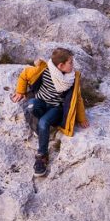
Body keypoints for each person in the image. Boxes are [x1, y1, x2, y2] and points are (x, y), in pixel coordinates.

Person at [10, 48, 88, 177]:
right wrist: (20, 91)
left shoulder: (71, 79)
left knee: (44, 122)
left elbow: (77, 99)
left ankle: (42, 156)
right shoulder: (44, 70)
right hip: (40, 103)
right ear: (61, 65)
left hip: (55, 108)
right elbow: (24, 74)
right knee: (31, 106)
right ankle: (41, 130)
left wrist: (81, 118)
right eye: (70, 63)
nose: (73, 66)